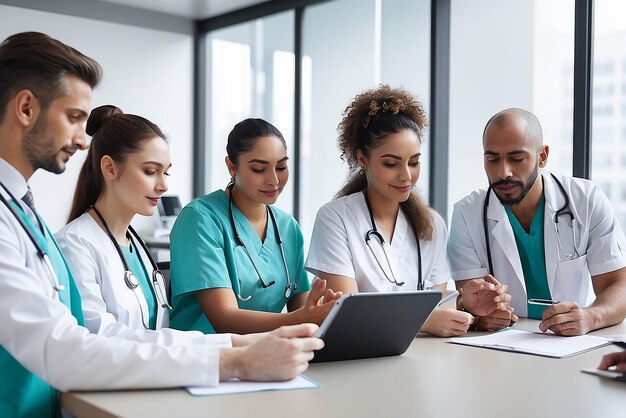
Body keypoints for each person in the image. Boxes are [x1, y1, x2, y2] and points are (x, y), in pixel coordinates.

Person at [0, 31, 322, 418]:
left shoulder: (21, 210)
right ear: (25, 108)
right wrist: (235, 359)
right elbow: (66, 346)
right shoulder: (54, 233)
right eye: (73, 118)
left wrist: (235, 347)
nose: (83, 141)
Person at [305, 85, 510, 337]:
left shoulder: (432, 224)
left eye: (414, 162)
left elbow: (437, 302)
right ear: (362, 159)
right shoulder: (335, 218)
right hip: (354, 357)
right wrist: (424, 321)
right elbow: (346, 311)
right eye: (391, 164)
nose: (406, 176)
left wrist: (467, 304)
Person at [448, 107, 626, 335]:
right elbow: (468, 299)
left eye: (517, 158)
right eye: (492, 159)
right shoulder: (466, 213)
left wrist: (591, 317)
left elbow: (618, 284)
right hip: (502, 346)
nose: (504, 172)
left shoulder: (587, 200)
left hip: (569, 342)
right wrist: (479, 316)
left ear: (542, 157)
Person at [169, 118, 342, 334]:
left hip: (268, 354)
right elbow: (224, 319)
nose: (274, 180)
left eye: (281, 167)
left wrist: (323, 308)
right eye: (259, 169)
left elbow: (301, 306)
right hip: (207, 356)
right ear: (231, 166)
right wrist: (300, 318)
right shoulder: (200, 219)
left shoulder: (287, 227)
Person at [55, 104, 178, 333]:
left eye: (166, 172)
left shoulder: (135, 244)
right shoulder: (74, 244)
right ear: (110, 168)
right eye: (151, 171)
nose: (163, 185)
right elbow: (99, 338)